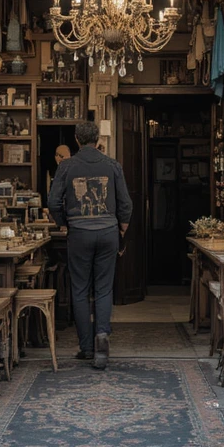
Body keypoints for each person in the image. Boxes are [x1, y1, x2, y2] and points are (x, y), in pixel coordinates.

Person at [47, 121, 131, 369]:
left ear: (76, 139)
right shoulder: (113, 165)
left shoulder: (66, 166)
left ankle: (86, 348)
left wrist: (64, 224)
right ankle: (102, 338)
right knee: (104, 289)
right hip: (107, 232)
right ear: (96, 139)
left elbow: (53, 203)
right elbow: (125, 203)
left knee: (80, 289)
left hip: (79, 232)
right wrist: (122, 229)